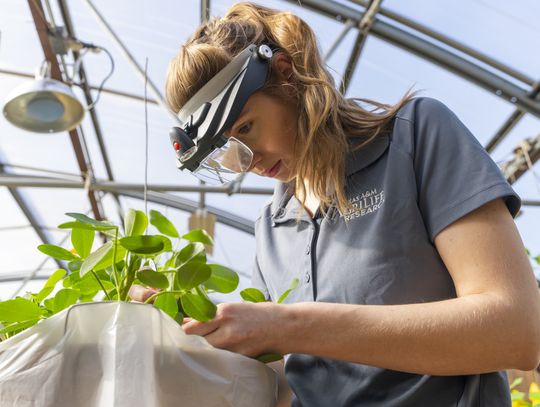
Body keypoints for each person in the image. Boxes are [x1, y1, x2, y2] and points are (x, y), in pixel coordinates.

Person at [132, 2, 540, 406]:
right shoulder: (271, 227)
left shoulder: (414, 138)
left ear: (284, 73)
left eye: (246, 128)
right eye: (226, 150)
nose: (248, 161)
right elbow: (282, 385)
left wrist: (290, 325)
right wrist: (187, 334)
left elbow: (517, 331)